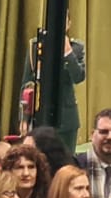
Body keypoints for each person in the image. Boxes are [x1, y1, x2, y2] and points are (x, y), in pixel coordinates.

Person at [20, 17, 86, 149]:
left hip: (66, 118)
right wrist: (24, 119)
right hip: (40, 114)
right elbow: (27, 85)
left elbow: (78, 77)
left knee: (67, 161)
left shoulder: (76, 48)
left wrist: (68, 53)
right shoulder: (35, 46)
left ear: (69, 24)